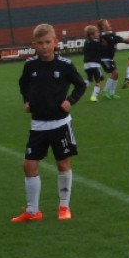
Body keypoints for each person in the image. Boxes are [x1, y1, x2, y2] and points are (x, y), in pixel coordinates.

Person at [12, 24, 86, 223]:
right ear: (34, 44)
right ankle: (33, 211)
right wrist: (27, 100)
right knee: (28, 165)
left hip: (60, 124)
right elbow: (23, 84)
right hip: (38, 125)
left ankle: (64, 206)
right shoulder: (30, 65)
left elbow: (81, 85)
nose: (44, 47)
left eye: (47, 42)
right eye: (40, 43)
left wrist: (70, 101)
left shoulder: (65, 65)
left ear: (55, 42)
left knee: (62, 163)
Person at [97, 19, 124, 100]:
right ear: (103, 26)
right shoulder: (102, 35)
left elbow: (116, 38)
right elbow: (112, 40)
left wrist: (119, 40)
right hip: (104, 58)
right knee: (115, 73)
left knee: (116, 75)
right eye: (107, 23)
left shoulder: (109, 33)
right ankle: (105, 91)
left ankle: (112, 93)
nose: (109, 24)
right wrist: (117, 41)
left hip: (110, 58)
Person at [82, 24, 106, 103]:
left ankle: (82, 88)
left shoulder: (86, 42)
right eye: (96, 32)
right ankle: (94, 96)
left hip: (86, 65)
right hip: (95, 64)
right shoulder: (96, 42)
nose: (98, 34)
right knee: (99, 80)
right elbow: (102, 48)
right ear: (92, 35)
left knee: (89, 79)